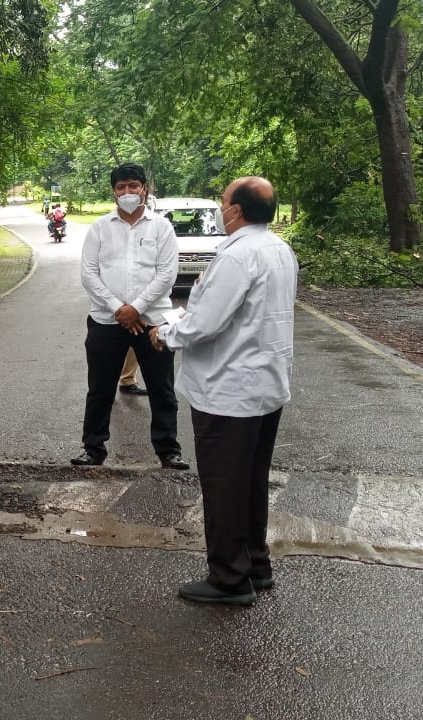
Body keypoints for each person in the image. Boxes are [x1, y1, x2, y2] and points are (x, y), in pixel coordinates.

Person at [152, 176, 297, 606]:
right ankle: (255, 562)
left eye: (223, 202)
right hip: (265, 384)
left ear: (235, 210)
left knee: (224, 484)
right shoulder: (278, 249)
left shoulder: (236, 256)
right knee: (250, 480)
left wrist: (166, 333)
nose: (221, 207)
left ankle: (229, 579)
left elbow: (206, 322)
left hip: (230, 389)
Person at [73, 162, 188, 470]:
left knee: (162, 387)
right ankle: (93, 448)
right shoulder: (99, 228)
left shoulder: (161, 227)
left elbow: (166, 274)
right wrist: (118, 309)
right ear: (113, 192)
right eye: (121, 187)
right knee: (99, 388)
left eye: (132, 186)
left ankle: (168, 450)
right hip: (105, 320)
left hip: (152, 321)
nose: (127, 192)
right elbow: (89, 274)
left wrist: (136, 308)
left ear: (144, 189)